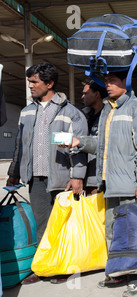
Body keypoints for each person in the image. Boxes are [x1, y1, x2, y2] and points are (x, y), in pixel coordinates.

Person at [68, 71, 137, 297]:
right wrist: (81, 142)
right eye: (106, 82)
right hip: (110, 182)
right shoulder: (108, 109)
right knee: (113, 231)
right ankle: (119, 271)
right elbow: (101, 144)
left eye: (113, 81)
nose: (108, 85)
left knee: (133, 231)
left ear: (126, 82)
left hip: (130, 182)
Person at [7, 62, 88, 284]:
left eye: (34, 82)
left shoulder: (70, 112)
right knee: (42, 224)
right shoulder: (26, 112)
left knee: (62, 225)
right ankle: (44, 268)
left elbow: (80, 148)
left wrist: (77, 175)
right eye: (29, 82)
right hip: (36, 179)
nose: (30, 86)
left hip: (62, 178)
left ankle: (64, 267)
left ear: (49, 83)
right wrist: (14, 171)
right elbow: (19, 145)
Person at [81, 79, 108, 194]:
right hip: (84, 176)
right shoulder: (83, 116)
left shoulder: (109, 115)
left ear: (97, 94)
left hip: (99, 178)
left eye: (86, 93)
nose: (82, 97)